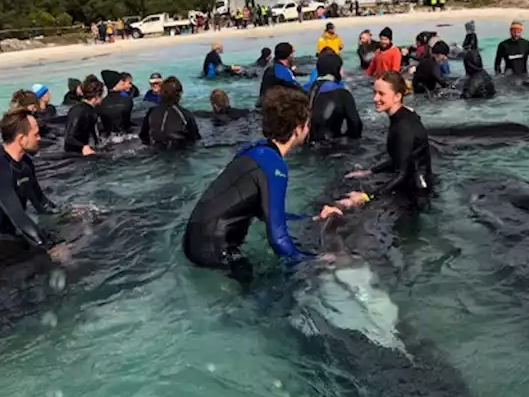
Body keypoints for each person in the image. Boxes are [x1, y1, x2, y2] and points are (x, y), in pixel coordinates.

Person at [182, 87, 341, 277]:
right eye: (307, 124)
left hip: (193, 241)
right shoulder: (274, 166)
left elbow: (266, 213)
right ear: (298, 128)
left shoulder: (254, 150)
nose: (308, 129)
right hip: (215, 252)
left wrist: (312, 217)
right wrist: (316, 261)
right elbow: (278, 240)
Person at [342, 71, 434, 209]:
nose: (375, 98)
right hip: (412, 182)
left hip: (416, 193)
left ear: (397, 96)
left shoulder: (404, 127)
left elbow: (403, 173)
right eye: (374, 92)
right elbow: (402, 158)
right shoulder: (403, 116)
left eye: (381, 94)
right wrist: (370, 172)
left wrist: (368, 196)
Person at [0, 110, 55, 249]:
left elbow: (41, 203)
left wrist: (68, 215)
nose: (39, 138)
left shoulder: (25, 163)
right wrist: (50, 247)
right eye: (36, 134)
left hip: (11, 235)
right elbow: (19, 218)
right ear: (22, 139)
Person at [307, 52, 363, 142]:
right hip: (332, 148)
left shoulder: (306, 89)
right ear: (336, 69)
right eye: (341, 68)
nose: (343, 71)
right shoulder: (342, 93)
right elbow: (355, 124)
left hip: (308, 144)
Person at [138, 76, 200, 150]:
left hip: (155, 151)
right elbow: (195, 139)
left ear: (161, 93)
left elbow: (143, 136)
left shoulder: (152, 112)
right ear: (180, 94)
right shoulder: (186, 114)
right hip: (179, 153)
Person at [63, 75, 103, 156]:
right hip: (75, 154)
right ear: (97, 96)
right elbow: (69, 138)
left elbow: (94, 135)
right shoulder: (79, 111)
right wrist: (83, 147)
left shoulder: (92, 110)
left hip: (86, 148)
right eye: (102, 95)